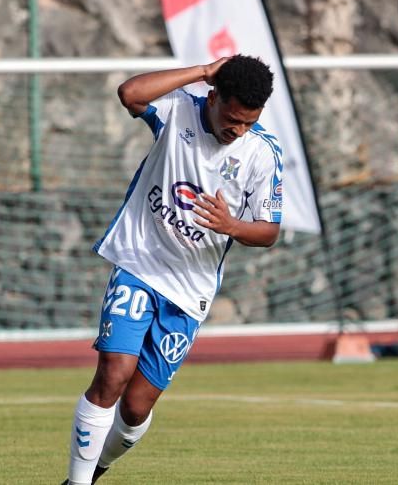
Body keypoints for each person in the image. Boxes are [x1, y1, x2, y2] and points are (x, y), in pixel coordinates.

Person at [63, 55, 282, 484]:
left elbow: (269, 231)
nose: (237, 130)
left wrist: (232, 225)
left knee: (136, 408)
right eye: (232, 119)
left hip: (189, 290)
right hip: (139, 261)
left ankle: (94, 472)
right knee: (113, 373)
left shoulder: (261, 153)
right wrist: (202, 71)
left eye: (248, 122)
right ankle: (77, 482)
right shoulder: (178, 107)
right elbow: (130, 93)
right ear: (214, 96)